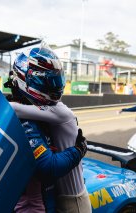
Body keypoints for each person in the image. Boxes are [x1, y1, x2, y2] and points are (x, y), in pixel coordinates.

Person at [6, 45, 91, 213]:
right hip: (57, 198)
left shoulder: (55, 111)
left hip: (68, 197)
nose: (54, 86)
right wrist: (79, 150)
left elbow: (12, 108)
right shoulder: (40, 114)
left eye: (56, 80)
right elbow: (48, 166)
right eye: (47, 81)